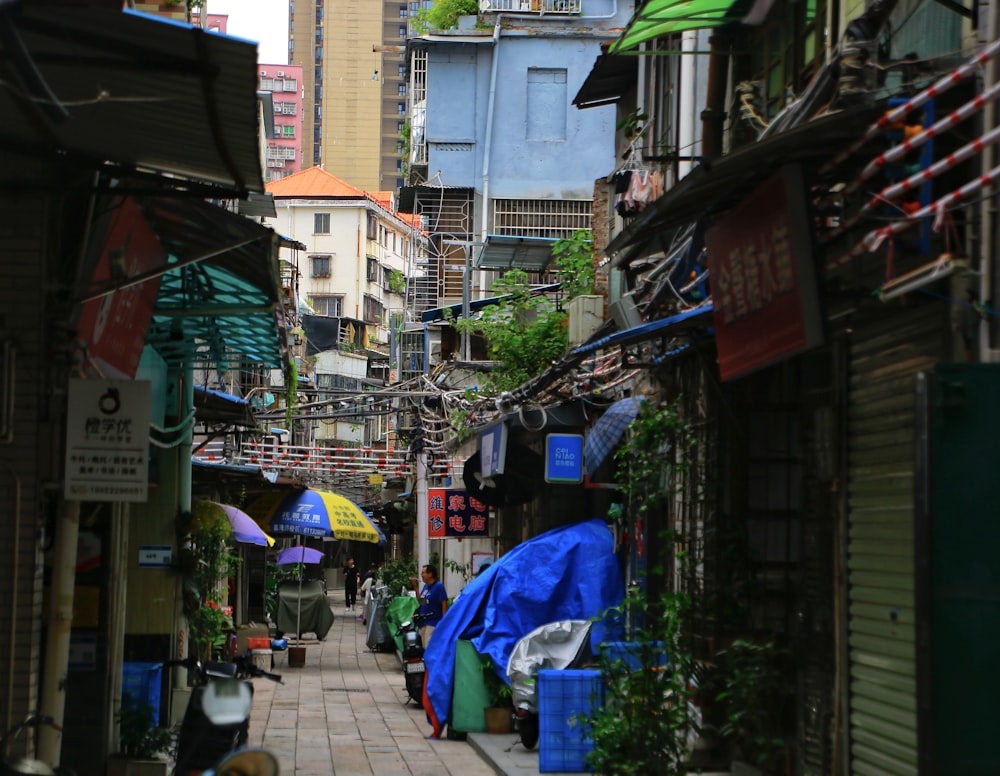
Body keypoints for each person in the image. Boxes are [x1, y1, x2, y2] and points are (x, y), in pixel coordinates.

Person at [411, 564, 448, 648]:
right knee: (424, 647)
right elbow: (422, 602)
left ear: (430, 574)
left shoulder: (439, 587)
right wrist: (415, 587)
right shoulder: (426, 587)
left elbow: (444, 604)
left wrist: (444, 622)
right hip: (423, 622)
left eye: (423, 573)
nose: (421, 575)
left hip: (432, 622)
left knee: (429, 648)